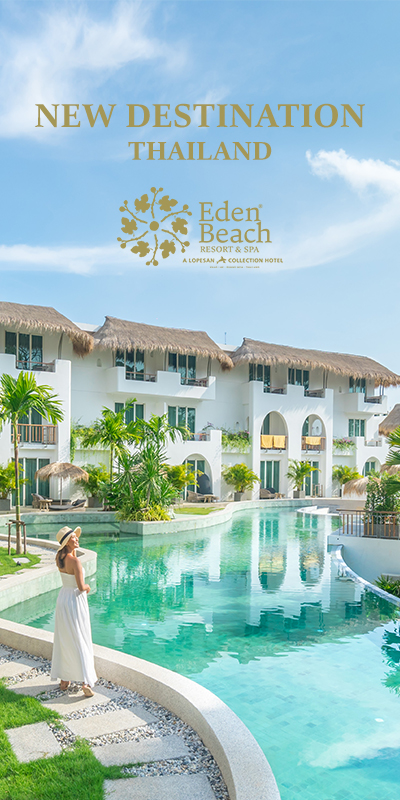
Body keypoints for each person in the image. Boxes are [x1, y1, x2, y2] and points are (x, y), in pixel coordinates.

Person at [50, 526, 97, 697]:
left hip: (63, 599)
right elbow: (80, 586)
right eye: (73, 538)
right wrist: (88, 587)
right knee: (80, 636)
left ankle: (64, 680)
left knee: (65, 637)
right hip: (76, 600)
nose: (77, 539)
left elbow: (69, 579)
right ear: (66, 542)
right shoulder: (76, 562)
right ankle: (85, 680)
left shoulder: (60, 558)